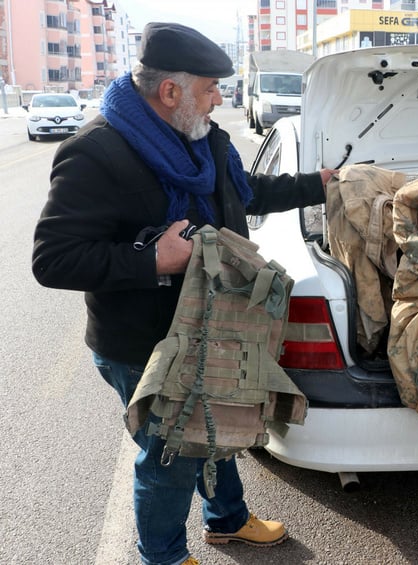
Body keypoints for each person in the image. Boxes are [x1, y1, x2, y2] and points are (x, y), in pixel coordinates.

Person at [32, 22, 336, 565]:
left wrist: (320, 183)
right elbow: (52, 259)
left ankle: (227, 521)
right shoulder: (96, 152)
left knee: (215, 423)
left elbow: (246, 195)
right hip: (143, 340)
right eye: (211, 87)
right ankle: (165, 556)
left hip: (213, 326)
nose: (221, 98)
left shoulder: (205, 141)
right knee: (170, 455)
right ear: (170, 92)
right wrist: (151, 258)